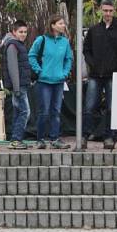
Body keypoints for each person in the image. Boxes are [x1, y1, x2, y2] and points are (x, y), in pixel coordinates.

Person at [81, 0, 117, 150]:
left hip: (112, 75)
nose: (107, 13)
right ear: (101, 11)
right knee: (89, 107)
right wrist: (92, 63)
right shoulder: (94, 29)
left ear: (114, 11)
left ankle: (109, 137)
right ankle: (84, 136)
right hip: (95, 75)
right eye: (105, 10)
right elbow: (86, 49)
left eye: (110, 11)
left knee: (111, 108)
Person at [28, 15, 73, 150]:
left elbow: (68, 59)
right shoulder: (41, 40)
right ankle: (40, 139)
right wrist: (39, 70)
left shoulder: (65, 42)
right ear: (53, 25)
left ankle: (54, 138)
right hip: (44, 82)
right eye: (60, 23)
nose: (63, 25)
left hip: (58, 81)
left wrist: (64, 73)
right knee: (44, 111)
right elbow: (32, 55)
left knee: (56, 111)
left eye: (63, 23)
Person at [1, 20, 32, 150]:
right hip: (18, 86)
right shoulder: (13, 46)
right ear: (14, 32)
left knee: (18, 111)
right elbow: (13, 68)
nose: (23, 34)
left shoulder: (17, 45)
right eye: (20, 32)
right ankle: (16, 139)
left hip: (20, 84)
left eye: (25, 32)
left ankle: (14, 138)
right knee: (25, 111)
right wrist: (17, 87)